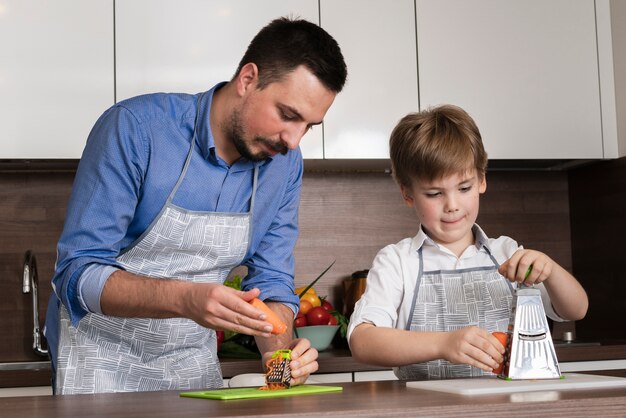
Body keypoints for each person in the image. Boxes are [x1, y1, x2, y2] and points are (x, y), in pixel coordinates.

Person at [44, 17, 347, 394]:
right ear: (248, 79)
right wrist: (187, 298)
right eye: (288, 115)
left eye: (309, 126)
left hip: (191, 367)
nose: (294, 140)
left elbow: (271, 280)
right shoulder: (136, 129)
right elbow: (77, 272)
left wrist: (279, 358)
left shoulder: (284, 164)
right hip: (98, 363)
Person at [347, 105, 588, 380]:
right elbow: (362, 342)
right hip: (425, 407)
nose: (452, 205)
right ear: (408, 194)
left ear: (482, 180)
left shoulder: (506, 252)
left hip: (506, 406)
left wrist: (551, 270)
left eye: (464, 188)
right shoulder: (398, 262)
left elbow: (576, 309)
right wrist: (443, 344)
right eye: (435, 193)